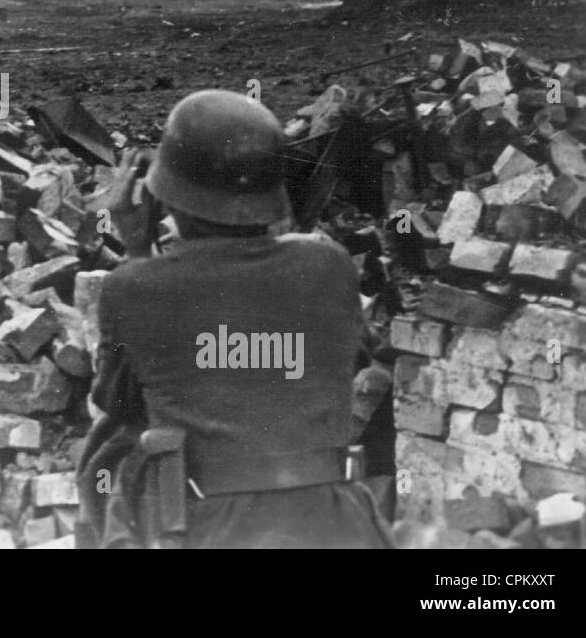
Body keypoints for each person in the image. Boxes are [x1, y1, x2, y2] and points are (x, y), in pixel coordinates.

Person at [76, 89, 392, 549]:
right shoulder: (332, 265)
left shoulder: (135, 286)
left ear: (165, 195)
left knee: (108, 449)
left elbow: (120, 401)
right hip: (335, 522)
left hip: (202, 527)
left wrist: (138, 250)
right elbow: (345, 360)